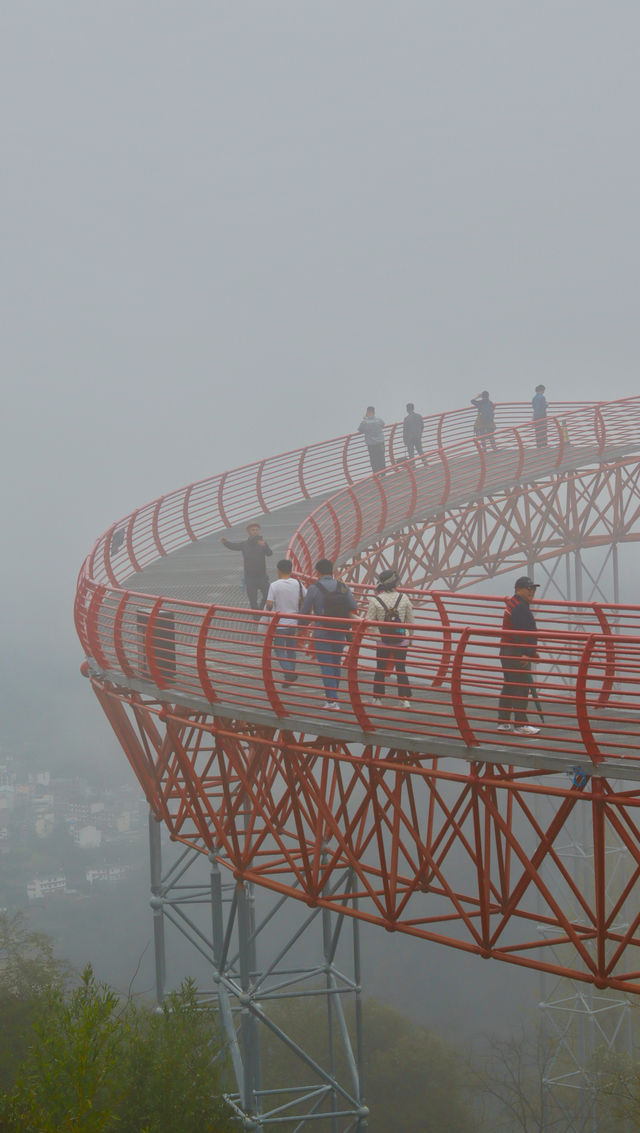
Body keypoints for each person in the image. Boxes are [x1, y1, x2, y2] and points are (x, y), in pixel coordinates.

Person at [301, 558, 358, 709]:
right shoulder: (343, 586)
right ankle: (333, 696)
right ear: (332, 571)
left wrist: (300, 626)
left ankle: (332, 700)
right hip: (340, 630)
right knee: (335, 663)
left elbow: (305, 611)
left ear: (317, 572)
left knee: (326, 664)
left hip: (322, 632)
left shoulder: (314, 588)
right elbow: (353, 605)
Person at [497, 575, 540, 735]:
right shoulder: (520, 607)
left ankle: (503, 721)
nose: (532, 592)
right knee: (521, 687)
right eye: (529, 589)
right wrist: (528, 654)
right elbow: (523, 633)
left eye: (534, 589)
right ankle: (521, 725)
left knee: (509, 684)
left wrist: (530, 651)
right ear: (518, 589)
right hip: (516, 652)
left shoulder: (513, 602)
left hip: (506, 651)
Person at [365, 569, 414, 708]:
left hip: (383, 640)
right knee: (401, 668)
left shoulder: (375, 600)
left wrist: (377, 635)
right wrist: (411, 637)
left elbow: (369, 622)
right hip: (401, 639)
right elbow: (410, 620)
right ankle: (404, 700)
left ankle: (378, 699)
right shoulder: (404, 598)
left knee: (380, 668)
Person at [265, 559, 307, 687]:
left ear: (278, 570)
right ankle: (289, 678)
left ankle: (289, 672)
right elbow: (306, 597)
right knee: (291, 650)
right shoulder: (298, 583)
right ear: (291, 570)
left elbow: (269, 604)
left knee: (279, 650)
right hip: (294, 622)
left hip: (280, 623)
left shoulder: (274, 585)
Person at [221, 522, 272, 612]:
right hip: (250, 577)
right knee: (252, 599)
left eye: (257, 530)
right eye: (253, 530)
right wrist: (225, 542)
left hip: (262, 576)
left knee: (268, 594)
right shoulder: (244, 544)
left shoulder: (263, 543)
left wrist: (265, 546)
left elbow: (269, 554)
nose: (255, 532)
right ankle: (256, 616)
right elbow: (234, 546)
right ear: (248, 531)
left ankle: (260, 610)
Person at [358, 406, 386, 473]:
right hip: (380, 442)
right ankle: (383, 473)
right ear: (374, 412)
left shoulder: (364, 422)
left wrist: (365, 419)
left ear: (367, 412)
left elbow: (360, 430)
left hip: (371, 444)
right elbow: (383, 425)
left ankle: (376, 474)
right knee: (381, 458)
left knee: (373, 459)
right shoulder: (379, 420)